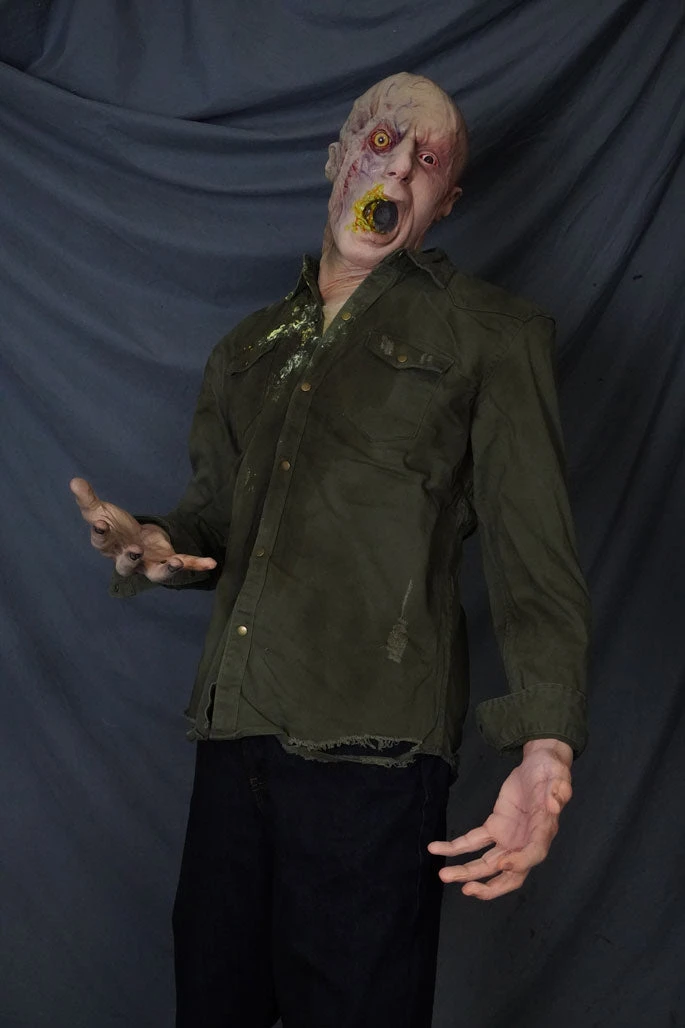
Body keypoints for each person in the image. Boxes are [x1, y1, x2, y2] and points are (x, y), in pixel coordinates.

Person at [71, 72, 589, 1028]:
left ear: (445, 202)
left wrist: (544, 745)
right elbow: (217, 523)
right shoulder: (248, 350)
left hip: (372, 759)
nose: (397, 169)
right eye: (383, 141)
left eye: (427, 161)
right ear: (336, 157)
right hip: (234, 742)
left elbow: (536, 561)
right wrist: (153, 541)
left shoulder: (490, 335)